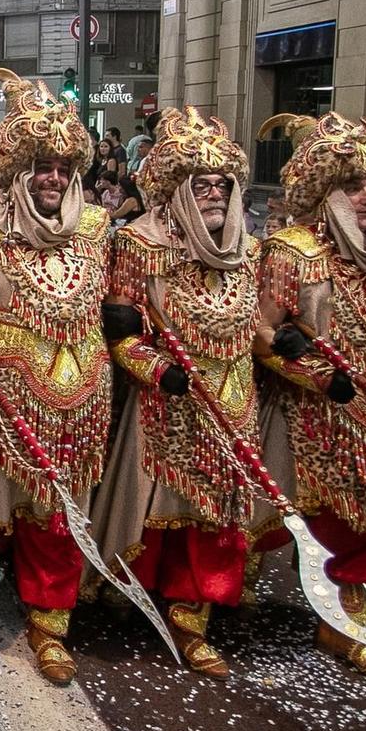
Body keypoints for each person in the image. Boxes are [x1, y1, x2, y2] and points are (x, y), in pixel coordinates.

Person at [0, 70, 110, 684]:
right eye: (39, 166)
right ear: (14, 172)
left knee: (59, 516)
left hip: (80, 398)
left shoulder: (96, 227)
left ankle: (50, 626)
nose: (52, 178)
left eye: (62, 166)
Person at [254, 113, 366, 685]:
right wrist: (310, 370)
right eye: (353, 186)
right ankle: (228, 582)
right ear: (324, 192)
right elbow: (259, 331)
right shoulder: (291, 251)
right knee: (282, 516)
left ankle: (344, 621)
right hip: (306, 411)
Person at [95, 107, 264, 677]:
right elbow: (121, 335)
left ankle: (194, 618)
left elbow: (256, 329)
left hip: (233, 401)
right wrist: (156, 369)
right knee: (154, 514)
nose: (215, 193)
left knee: (218, 518)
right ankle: (134, 594)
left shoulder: (251, 249)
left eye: (223, 183)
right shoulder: (139, 245)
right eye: (202, 183)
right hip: (165, 404)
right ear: (176, 189)